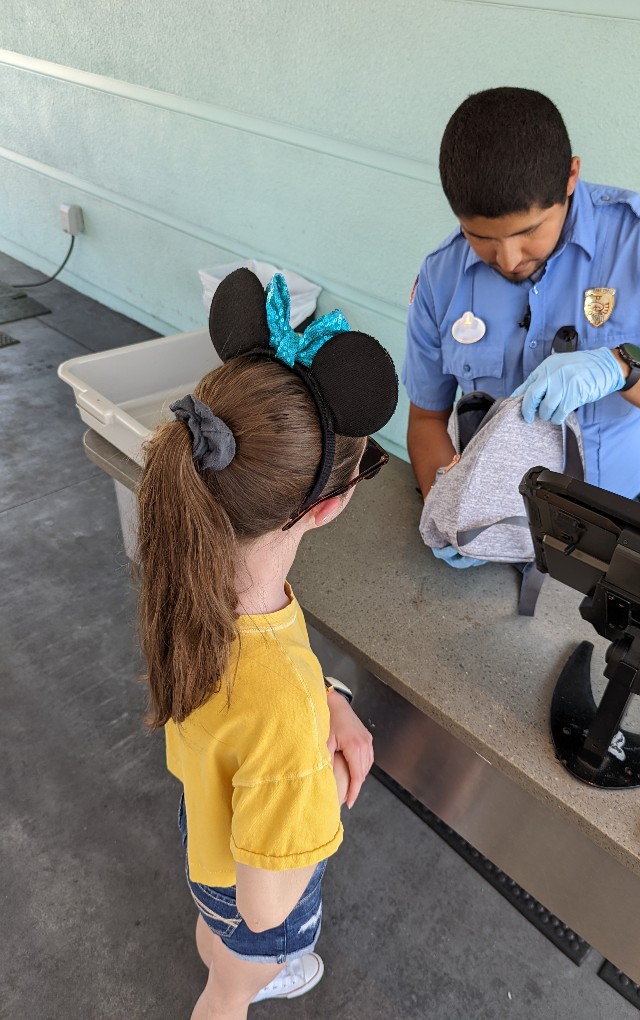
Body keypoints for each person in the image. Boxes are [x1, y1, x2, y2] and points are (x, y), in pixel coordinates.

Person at [136, 268, 398, 1019]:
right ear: (331, 505)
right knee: (234, 978)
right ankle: (236, 984)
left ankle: (218, 953)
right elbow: (263, 906)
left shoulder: (185, 575)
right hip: (251, 885)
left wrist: (325, 700)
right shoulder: (277, 695)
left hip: (211, 813)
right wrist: (313, 778)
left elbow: (262, 695)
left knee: (218, 928)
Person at [404, 87, 640, 563]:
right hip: (488, 525)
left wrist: (623, 367)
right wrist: (448, 509)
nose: (508, 259)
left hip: (610, 537)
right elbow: (426, 419)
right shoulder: (442, 275)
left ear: (570, 178)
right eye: (479, 237)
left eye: (528, 233)